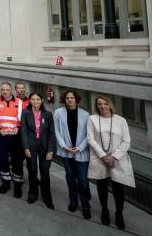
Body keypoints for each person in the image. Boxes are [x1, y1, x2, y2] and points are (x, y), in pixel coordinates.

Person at [87, 96, 135, 230]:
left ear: (110, 105)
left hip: (117, 160)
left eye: (105, 104)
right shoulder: (92, 119)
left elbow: (127, 141)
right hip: (100, 160)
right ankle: (104, 210)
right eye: (99, 104)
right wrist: (104, 156)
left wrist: (113, 157)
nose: (102, 106)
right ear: (97, 106)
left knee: (118, 189)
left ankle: (119, 214)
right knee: (102, 187)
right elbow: (91, 139)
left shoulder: (121, 120)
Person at [54, 90, 92, 219]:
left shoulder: (85, 114)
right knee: (70, 177)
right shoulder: (59, 113)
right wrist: (64, 146)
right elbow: (56, 131)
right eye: (67, 98)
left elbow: (89, 134)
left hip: (81, 152)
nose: (70, 100)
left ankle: (86, 204)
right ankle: (73, 200)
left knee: (82, 180)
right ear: (64, 100)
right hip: (65, 152)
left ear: (76, 99)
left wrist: (80, 148)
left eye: (72, 98)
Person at [0, 82, 24, 197]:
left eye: (7, 89)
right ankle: (6, 183)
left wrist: (18, 128)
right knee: (3, 161)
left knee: (17, 162)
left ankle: (17, 186)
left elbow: (23, 119)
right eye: (2, 89)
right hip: (2, 136)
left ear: (11, 90)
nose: (5, 91)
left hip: (15, 137)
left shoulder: (20, 102)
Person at [20, 93, 56, 209]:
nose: (35, 101)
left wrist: (51, 151)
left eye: (37, 99)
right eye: (33, 99)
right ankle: (33, 194)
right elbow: (23, 131)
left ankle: (47, 197)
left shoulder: (48, 114)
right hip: (30, 146)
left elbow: (52, 133)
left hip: (45, 147)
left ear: (41, 101)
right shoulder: (25, 113)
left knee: (45, 172)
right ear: (30, 101)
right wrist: (25, 147)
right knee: (32, 171)